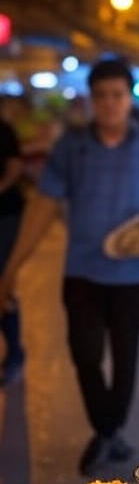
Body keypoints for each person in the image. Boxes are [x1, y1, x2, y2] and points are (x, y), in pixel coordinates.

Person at [0, 58, 139, 473]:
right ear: (91, 100)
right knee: (85, 354)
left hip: (134, 274)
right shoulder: (71, 148)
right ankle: (107, 429)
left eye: (117, 95)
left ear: (129, 99)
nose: (110, 104)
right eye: (101, 96)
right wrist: (10, 270)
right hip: (81, 272)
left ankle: (107, 433)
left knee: (126, 355)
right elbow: (42, 207)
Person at [0, 110, 25, 383]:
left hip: (5, 216)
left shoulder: (3, 129)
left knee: (4, 284)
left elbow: (15, 167)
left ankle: (14, 355)